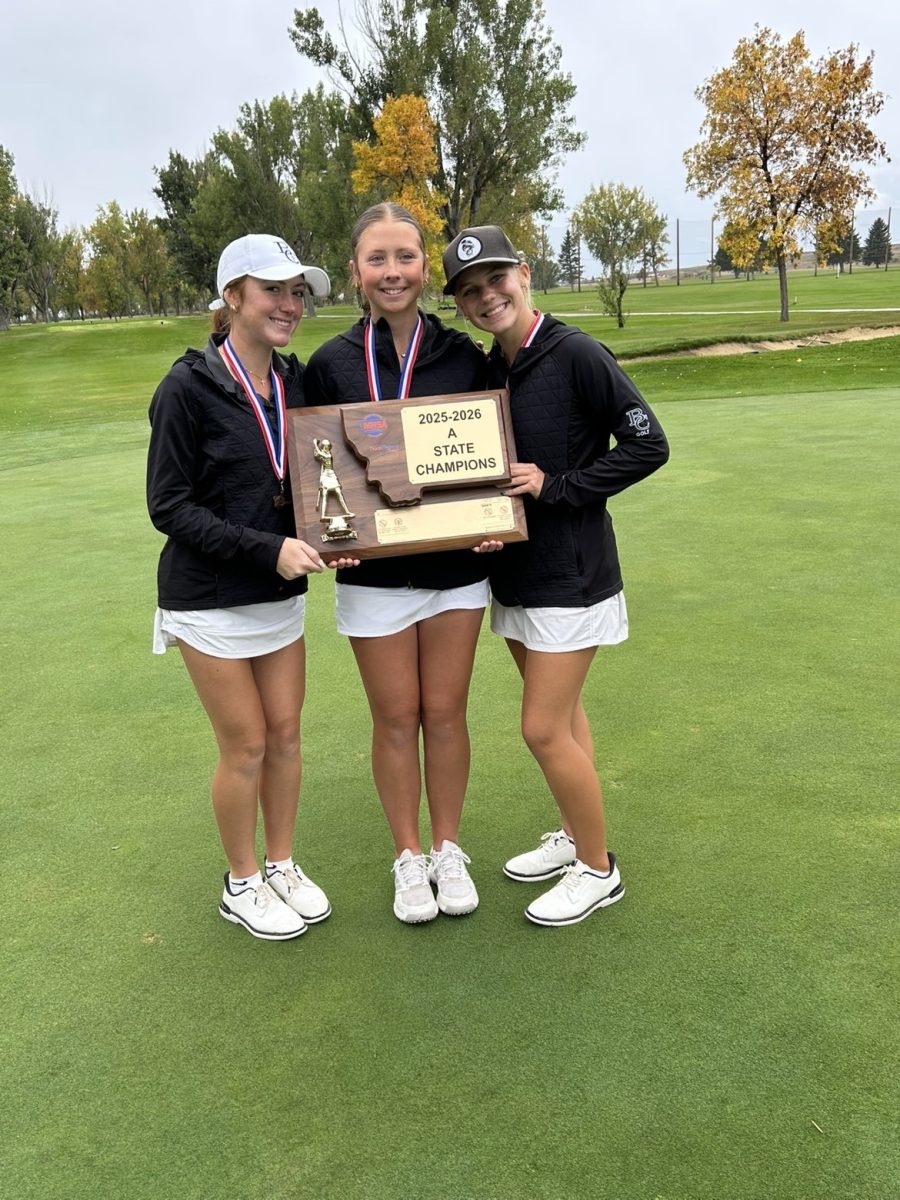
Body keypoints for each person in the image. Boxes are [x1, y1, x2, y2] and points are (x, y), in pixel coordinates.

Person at [443, 224, 670, 927]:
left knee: (541, 729)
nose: (488, 297)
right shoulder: (491, 370)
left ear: (526, 275)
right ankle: (576, 837)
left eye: (497, 281)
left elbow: (647, 444)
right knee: (566, 718)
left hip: (572, 575)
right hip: (514, 573)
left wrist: (557, 485)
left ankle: (599, 870)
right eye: (471, 291)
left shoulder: (575, 355)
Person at [147, 233, 347, 942]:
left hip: (276, 598)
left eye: (298, 292)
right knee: (248, 746)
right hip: (207, 600)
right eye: (273, 290)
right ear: (233, 297)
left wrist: (341, 537)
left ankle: (283, 863)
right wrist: (271, 549)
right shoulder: (186, 386)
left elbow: (319, 476)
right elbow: (168, 507)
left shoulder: (293, 383)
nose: (290, 304)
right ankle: (241, 881)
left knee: (287, 736)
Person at [303, 203, 491, 924]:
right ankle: (408, 858)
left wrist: (490, 521)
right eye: (376, 259)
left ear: (425, 267)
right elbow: (317, 469)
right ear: (355, 271)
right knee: (395, 719)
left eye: (405, 257)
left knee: (445, 714)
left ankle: (448, 847)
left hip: (455, 573)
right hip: (372, 577)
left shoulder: (461, 356)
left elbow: (482, 458)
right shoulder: (331, 364)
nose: (392, 272)